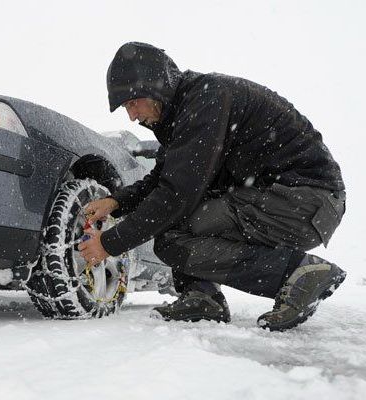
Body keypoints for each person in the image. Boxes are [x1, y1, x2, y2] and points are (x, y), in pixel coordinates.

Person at [78, 42, 346, 331]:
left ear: (155, 87)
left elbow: (175, 194)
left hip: (306, 200)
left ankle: (299, 273)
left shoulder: (207, 102)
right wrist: (116, 202)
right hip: (288, 200)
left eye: (132, 103)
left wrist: (109, 243)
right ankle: (203, 296)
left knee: (173, 230)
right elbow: (163, 179)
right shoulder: (187, 110)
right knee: (177, 225)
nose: (131, 116)